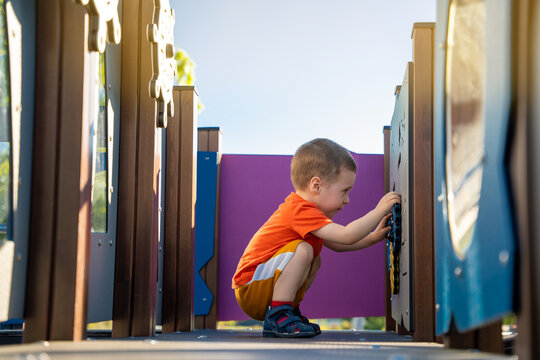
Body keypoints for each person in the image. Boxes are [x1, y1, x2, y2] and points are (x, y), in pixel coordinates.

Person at [231, 138, 400, 338]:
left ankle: (285, 313)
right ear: (316, 185)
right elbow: (347, 234)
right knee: (304, 250)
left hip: (259, 285)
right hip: (251, 285)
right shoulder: (299, 210)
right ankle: (280, 315)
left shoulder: (308, 216)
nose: (347, 200)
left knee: (313, 256)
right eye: (344, 191)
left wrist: (372, 238)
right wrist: (379, 210)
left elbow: (339, 243)